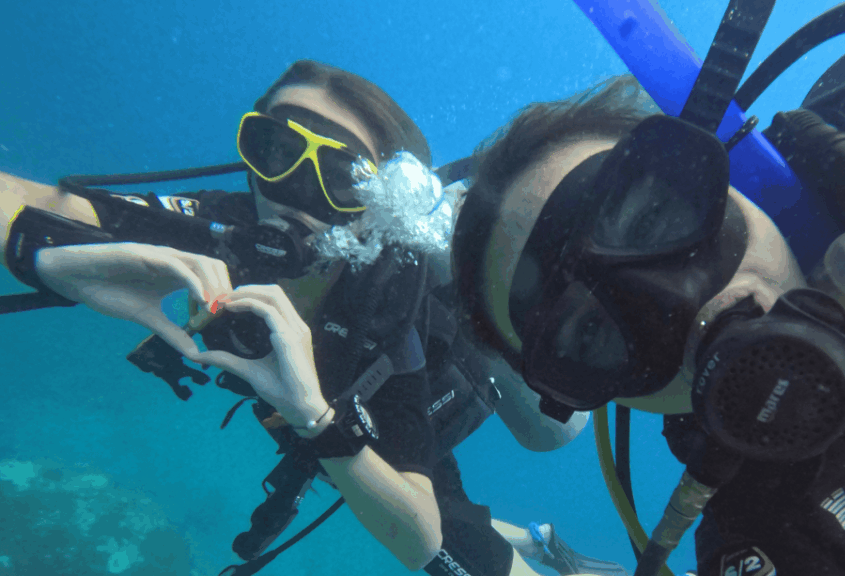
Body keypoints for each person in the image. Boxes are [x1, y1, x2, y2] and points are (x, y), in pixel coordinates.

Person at [448, 0, 845, 573]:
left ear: (718, 164)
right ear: (603, 392)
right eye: (594, 329)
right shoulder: (768, 546)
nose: (677, 303)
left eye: (651, 220)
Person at [0, 60, 624, 576]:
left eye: (339, 176)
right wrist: (45, 251)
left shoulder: (386, 292)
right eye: (275, 150)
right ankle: (539, 539)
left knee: (524, 461)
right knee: (367, 479)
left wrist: (318, 419)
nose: (294, 192)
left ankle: (532, 538)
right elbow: (33, 202)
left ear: (373, 200)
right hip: (341, 420)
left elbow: (421, 537)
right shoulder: (215, 227)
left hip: (430, 385)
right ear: (248, 153)